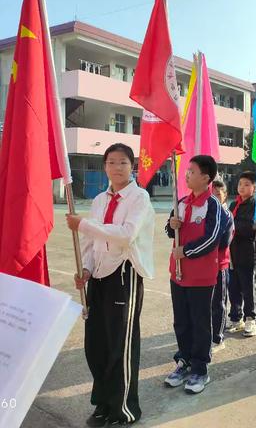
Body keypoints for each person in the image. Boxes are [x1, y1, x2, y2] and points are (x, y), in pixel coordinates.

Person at [66, 143, 155, 427]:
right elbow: (93, 244)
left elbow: (126, 235)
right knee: (97, 344)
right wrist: (87, 269)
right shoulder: (99, 200)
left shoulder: (139, 198)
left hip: (123, 275)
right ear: (104, 166)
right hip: (100, 277)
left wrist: (83, 225)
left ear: (133, 167)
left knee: (121, 344)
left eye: (123, 163)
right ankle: (103, 403)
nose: (117, 168)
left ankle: (124, 409)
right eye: (111, 162)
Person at [165, 155, 229, 394]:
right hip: (178, 274)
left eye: (191, 171)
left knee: (201, 323)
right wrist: (172, 225)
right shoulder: (181, 201)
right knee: (181, 321)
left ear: (206, 177)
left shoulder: (212, 205)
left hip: (201, 276)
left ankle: (200, 369)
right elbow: (169, 230)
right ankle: (184, 361)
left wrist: (187, 251)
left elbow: (212, 239)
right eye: (187, 170)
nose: (187, 174)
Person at [227, 171, 256, 337]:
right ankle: (236, 317)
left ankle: (250, 319)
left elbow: (250, 227)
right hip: (232, 253)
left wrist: (232, 227)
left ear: (254, 188)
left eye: (247, 184)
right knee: (233, 287)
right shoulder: (234, 205)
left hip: (247, 252)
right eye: (241, 184)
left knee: (248, 288)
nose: (242, 187)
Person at [211, 179, 234, 353]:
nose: (215, 197)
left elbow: (224, 242)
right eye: (213, 193)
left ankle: (218, 338)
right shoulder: (207, 212)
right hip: (204, 266)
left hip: (220, 265)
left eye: (219, 194)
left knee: (219, 302)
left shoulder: (227, 215)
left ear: (225, 196)